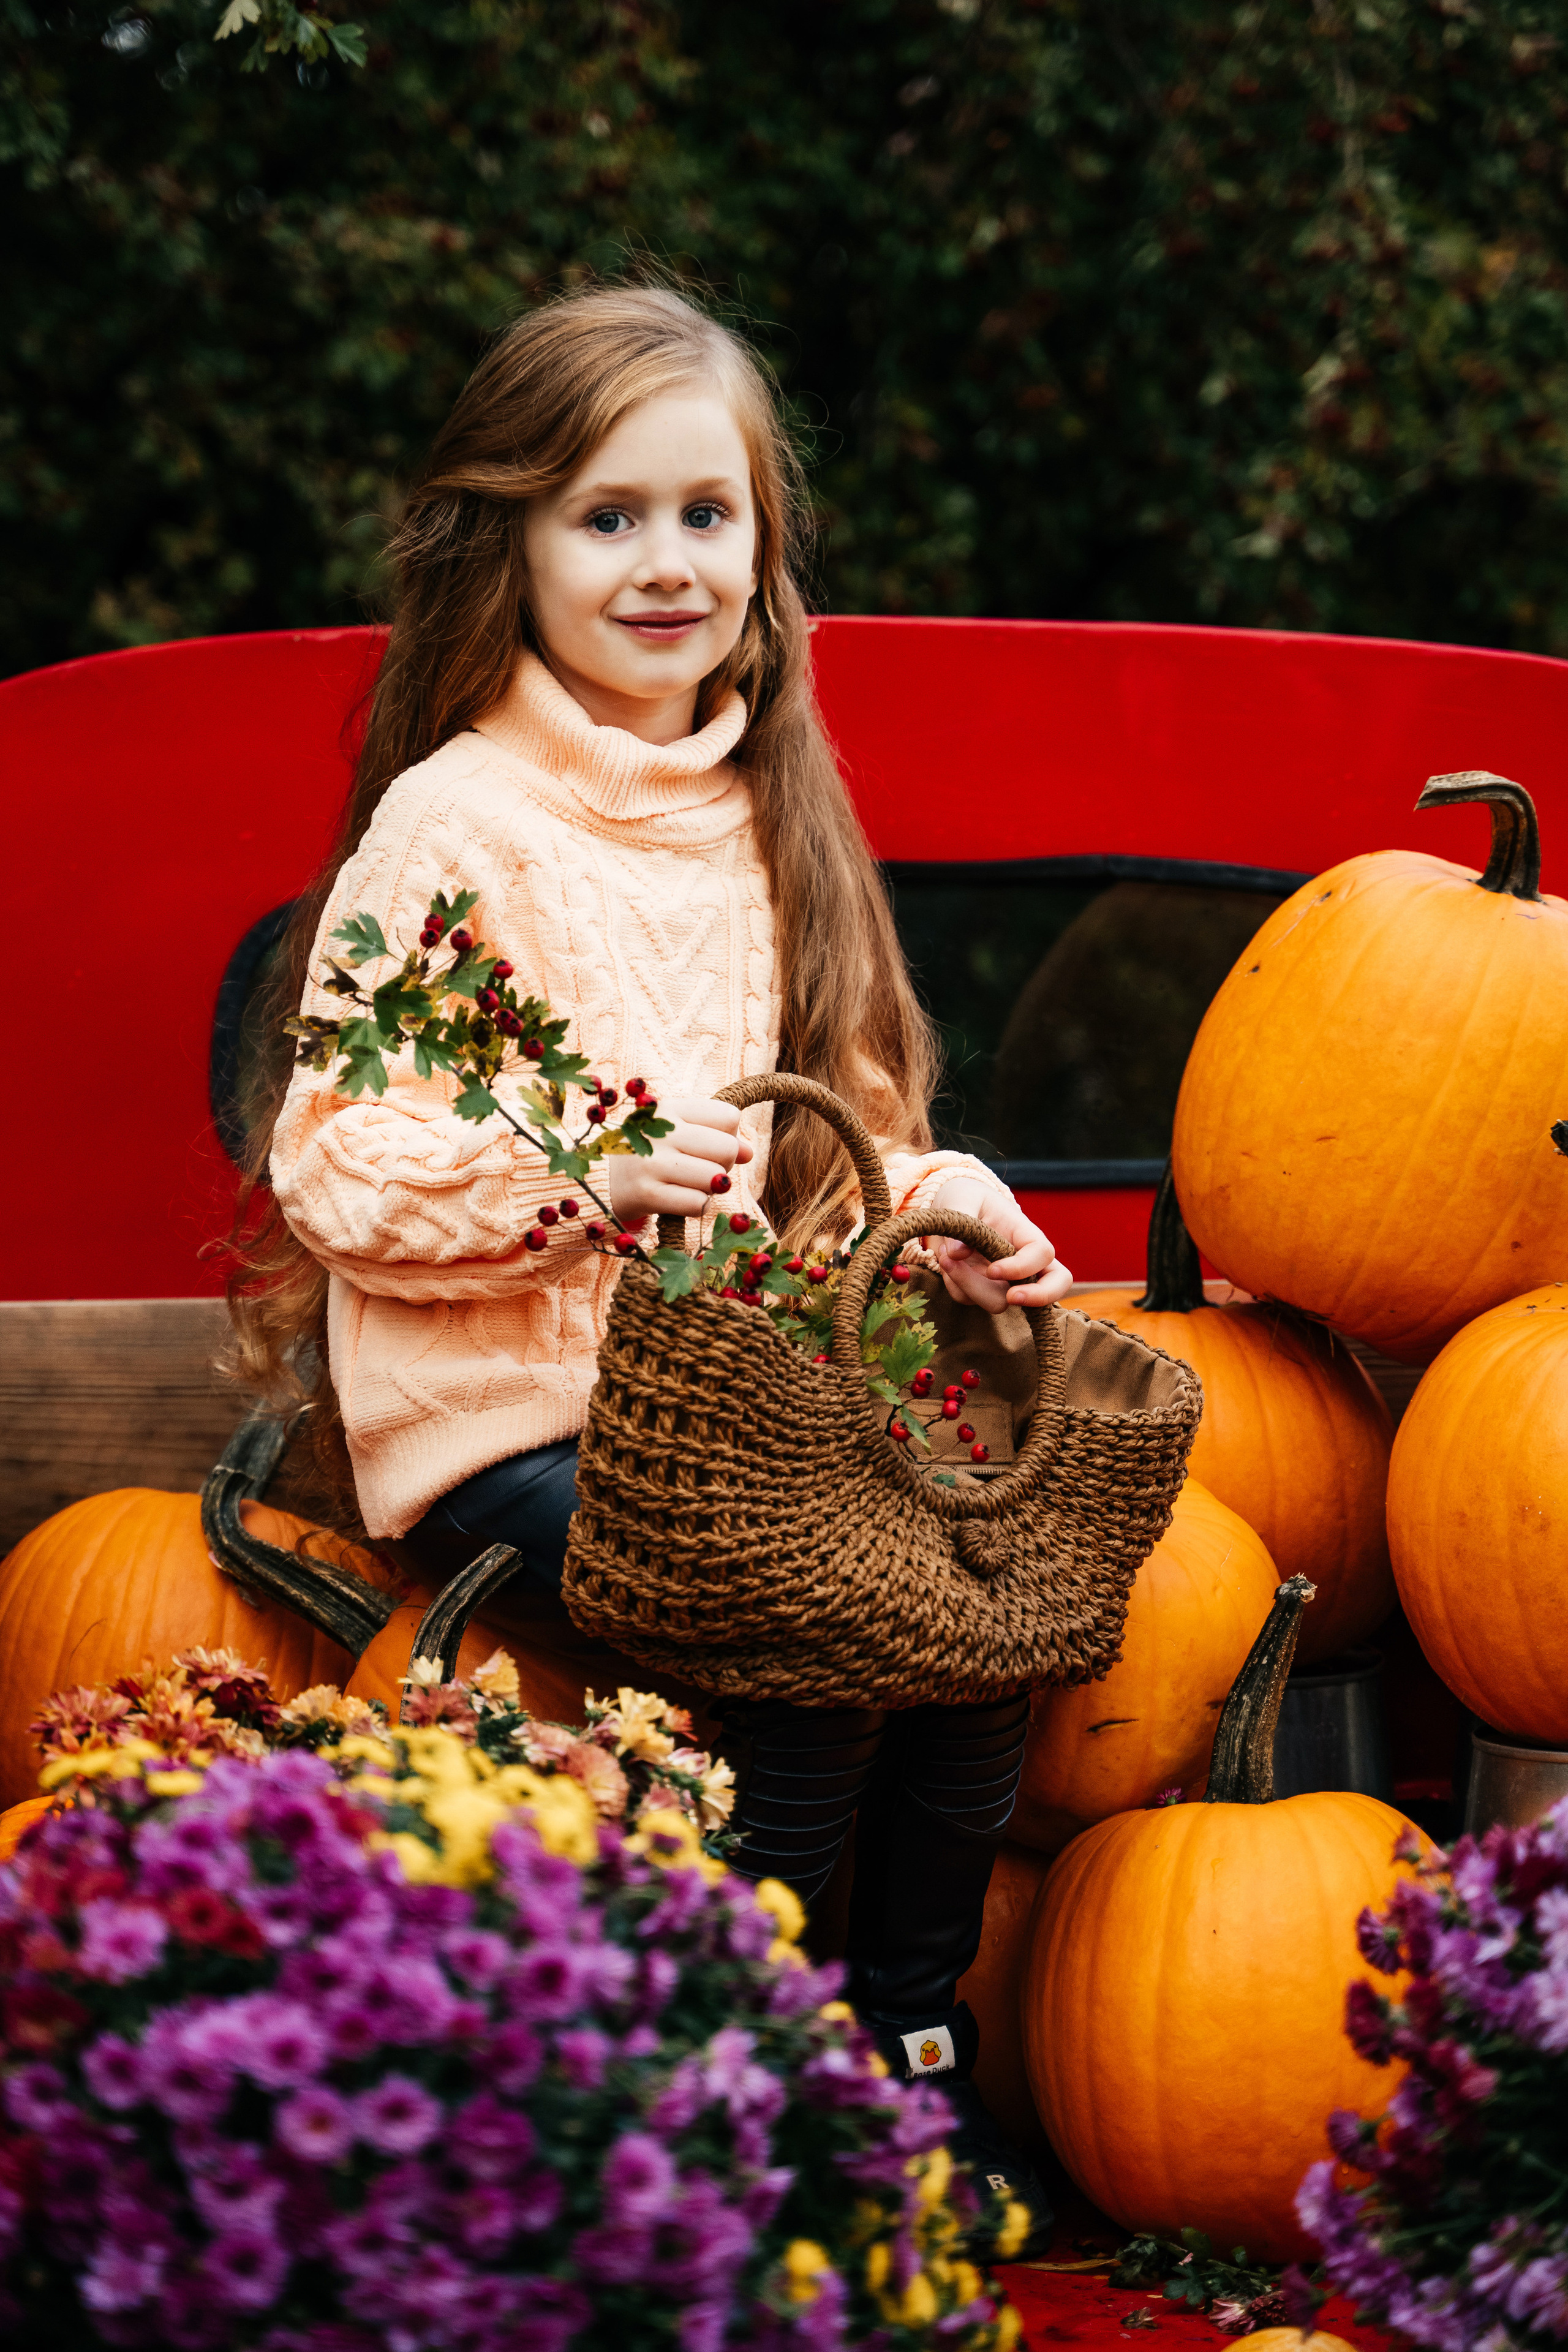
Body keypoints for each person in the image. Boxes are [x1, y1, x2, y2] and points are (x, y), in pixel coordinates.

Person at [242, 283, 1073, 2247]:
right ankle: (752, 2082)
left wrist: (948, 1208)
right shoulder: (459, 828)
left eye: (708, 513)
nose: (666, 561)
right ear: (510, 545)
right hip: (515, 1418)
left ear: (766, 548)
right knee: (813, 1635)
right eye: (606, 517)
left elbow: (836, 1145)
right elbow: (335, 1160)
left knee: (992, 1615)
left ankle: (904, 2047)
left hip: (751, 1413)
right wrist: (586, 1178)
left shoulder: (773, 812)